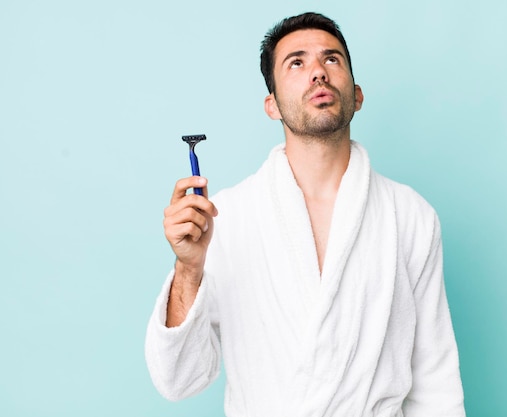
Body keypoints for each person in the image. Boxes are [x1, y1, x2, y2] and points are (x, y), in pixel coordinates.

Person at [145, 12, 466, 417]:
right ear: (272, 105)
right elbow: (179, 380)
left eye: (332, 59)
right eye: (296, 62)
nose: (317, 71)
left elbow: (435, 380)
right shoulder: (227, 217)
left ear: (358, 94)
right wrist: (188, 269)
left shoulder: (410, 215)